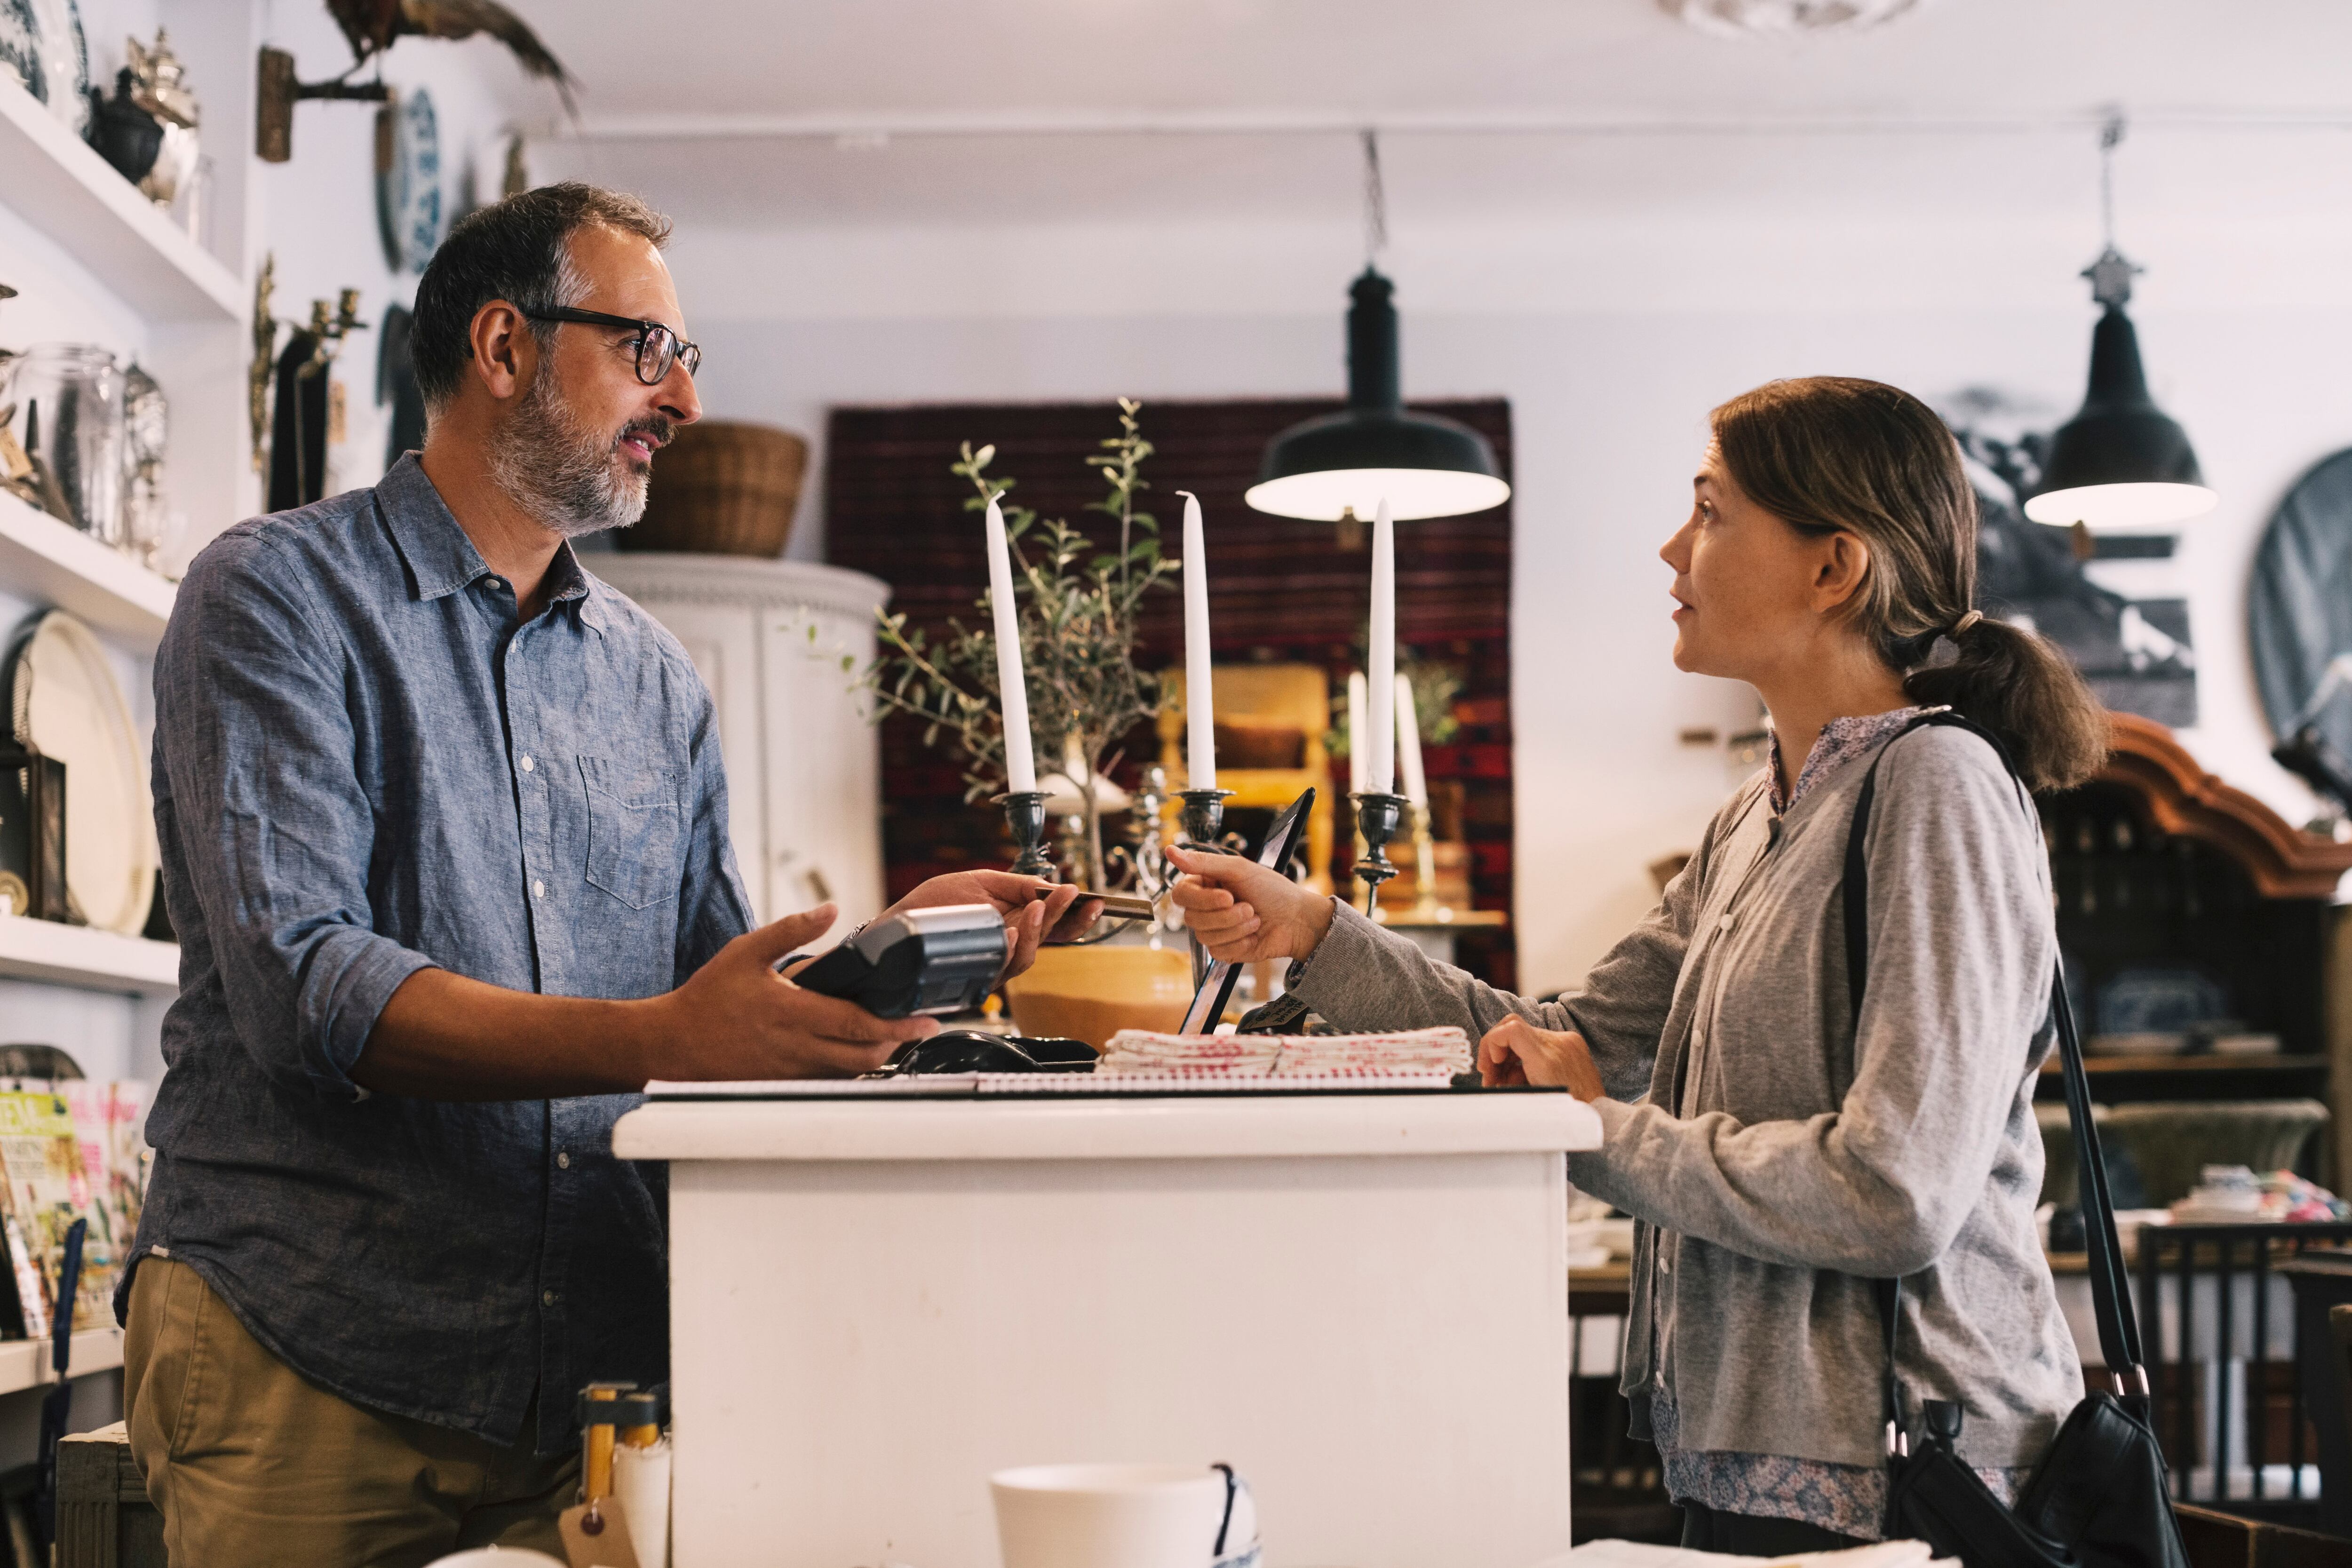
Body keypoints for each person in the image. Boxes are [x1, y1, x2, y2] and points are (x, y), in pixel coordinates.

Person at [119, 183, 1092, 1566]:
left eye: (686, 359)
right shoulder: (275, 596)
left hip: (594, 1380)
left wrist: (884, 953)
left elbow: (719, 1002)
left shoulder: (655, 679)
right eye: (649, 350)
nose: (684, 400)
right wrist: (669, 1035)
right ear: (503, 346)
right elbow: (308, 988)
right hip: (313, 1351)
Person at [1170, 376, 2107, 1555]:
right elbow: (1549, 1037)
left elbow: (1897, 1189)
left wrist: (1597, 1130)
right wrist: (1312, 930)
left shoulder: (1939, 786)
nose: (1673, 548)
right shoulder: (1754, 818)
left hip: (1919, 1482)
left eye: (1710, 512)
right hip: (1758, 1462)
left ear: (1833, 568)